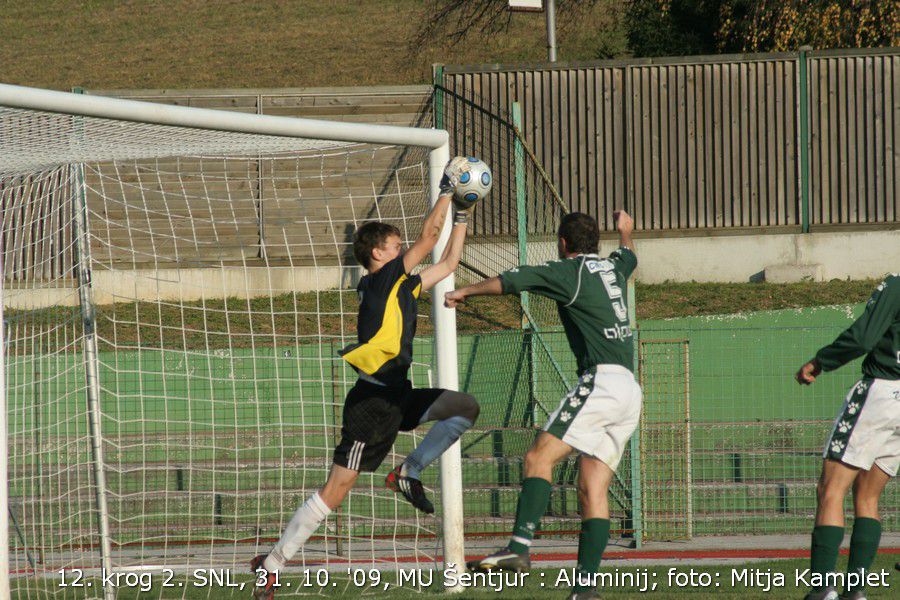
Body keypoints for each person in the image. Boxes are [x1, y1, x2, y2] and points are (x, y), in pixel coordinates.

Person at [250, 158, 481, 599]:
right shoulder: (381, 281)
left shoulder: (403, 285)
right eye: (397, 245)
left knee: (464, 408)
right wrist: (448, 190)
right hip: (371, 407)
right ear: (379, 254)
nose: (402, 250)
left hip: (399, 396)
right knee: (336, 490)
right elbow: (430, 237)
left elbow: (449, 260)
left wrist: (464, 213)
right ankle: (272, 564)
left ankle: (407, 473)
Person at [445, 210, 641, 600]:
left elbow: (514, 280)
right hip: (631, 391)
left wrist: (464, 291)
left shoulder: (570, 272)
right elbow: (629, 256)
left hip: (601, 381)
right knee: (592, 489)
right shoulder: (612, 267)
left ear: (563, 243)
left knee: (538, 458)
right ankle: (584, 589)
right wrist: (626, 232)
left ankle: (518, 548)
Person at [795, 274, 899, 600]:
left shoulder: (896, 286)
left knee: (831, 489)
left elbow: (864, 338)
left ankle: (823, 589)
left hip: (880, 391)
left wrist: (820, 360)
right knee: (867, 498)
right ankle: (856, 591)